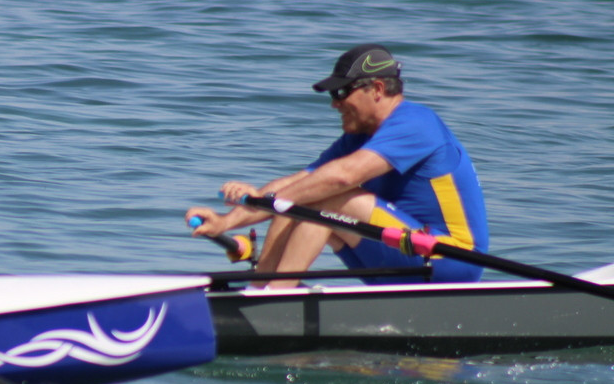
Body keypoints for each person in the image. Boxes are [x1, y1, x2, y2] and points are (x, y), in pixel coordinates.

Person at [186, 43, 488, 288]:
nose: (334, 103)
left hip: (451, 259)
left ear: (378, 89)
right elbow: (298, 183)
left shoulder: (417, 123)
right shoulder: (357, 139)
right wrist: (227, 221)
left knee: (321, 197)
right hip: (405, 253)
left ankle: (273, 297)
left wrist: (274, 202)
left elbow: (343, 178)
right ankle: (260, 289)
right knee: (301, 195)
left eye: (342, 92)